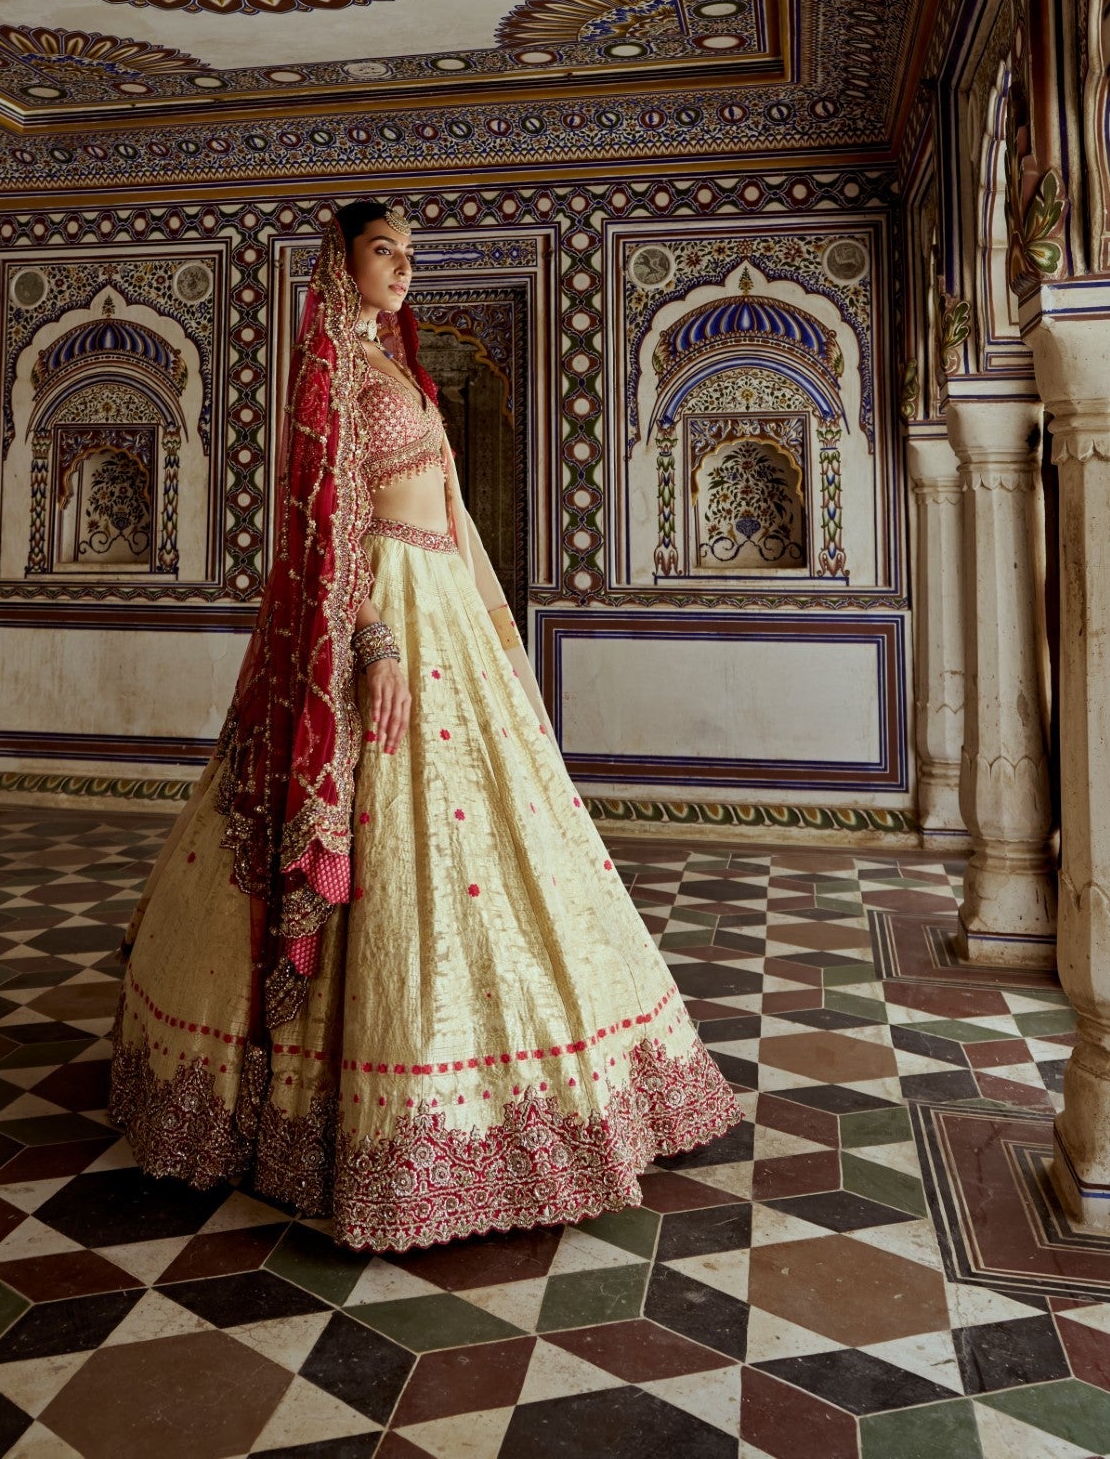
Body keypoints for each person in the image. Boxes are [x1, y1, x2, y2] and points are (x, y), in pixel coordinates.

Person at [109, 198, 739, 1251]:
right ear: (341, 259)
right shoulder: (331, 377)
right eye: (383, 251)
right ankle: (334, 1117)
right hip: (379, 610)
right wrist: (371, 641)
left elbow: (455, 516)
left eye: (410, 255)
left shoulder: (403, 373)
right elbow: (324, 528)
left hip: (444, 604)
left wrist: (497, 641)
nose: (401, 270)